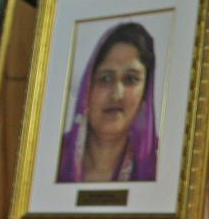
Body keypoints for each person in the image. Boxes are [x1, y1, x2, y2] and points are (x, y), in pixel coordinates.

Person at [57, 22, 158, 183]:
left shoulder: (162, 166)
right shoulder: (54, 158)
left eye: (131, 79)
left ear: (146, 93)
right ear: (87, 89)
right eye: (105, 78)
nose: (117, 94)